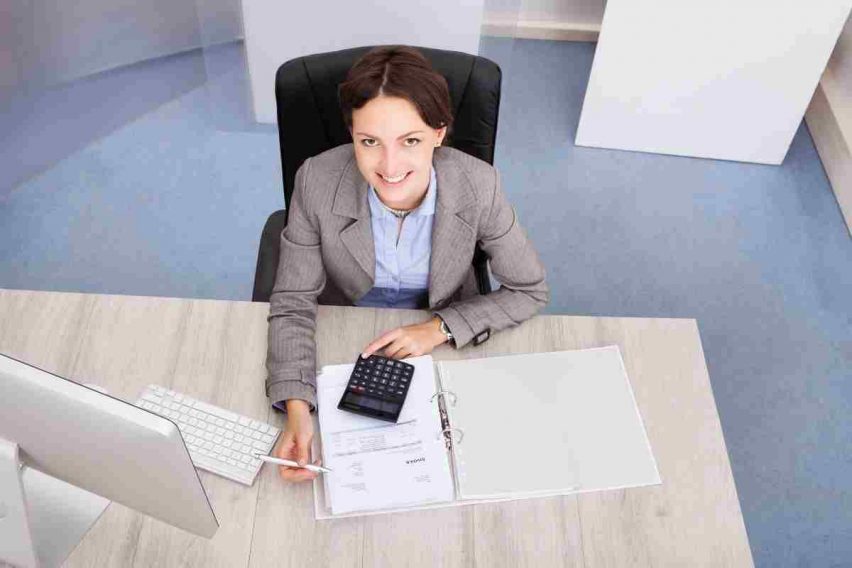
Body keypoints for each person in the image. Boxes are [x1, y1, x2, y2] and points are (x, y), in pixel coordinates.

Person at [266, 45, 548, 483]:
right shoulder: (316, 180)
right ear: (352, 134)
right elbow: (293, 303)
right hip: (344, 333)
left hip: (442, 339)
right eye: (369, 142)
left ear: (439, 133)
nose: (390, 165)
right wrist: (298, 410)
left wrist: (440, 328)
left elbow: (529, 289)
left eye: (410, 140)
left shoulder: (479, 185)